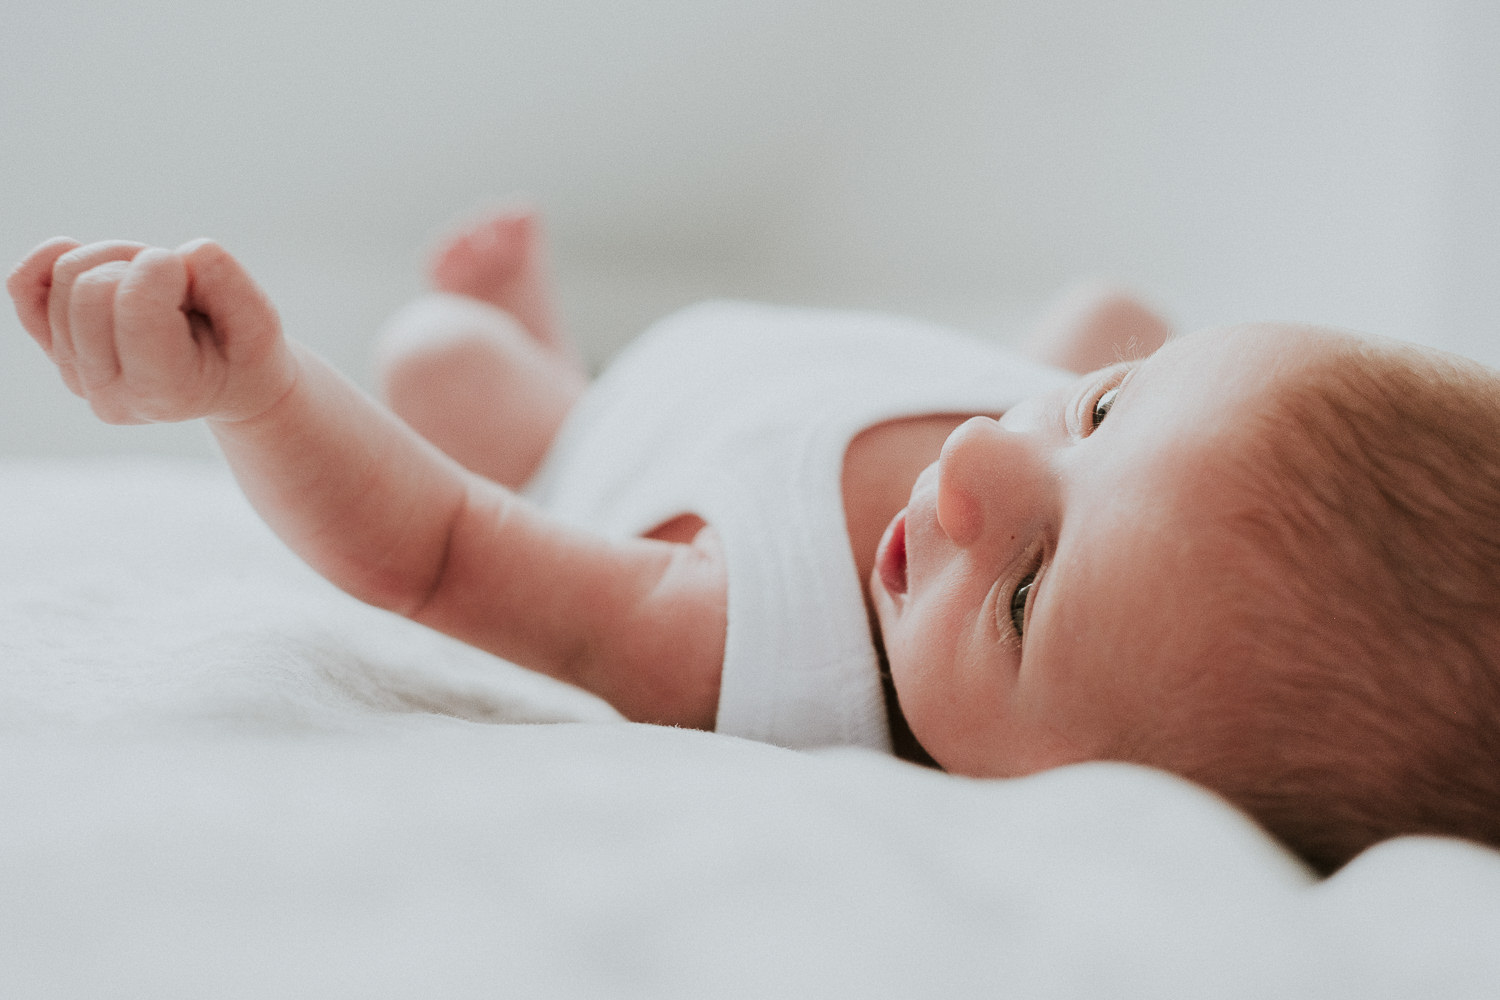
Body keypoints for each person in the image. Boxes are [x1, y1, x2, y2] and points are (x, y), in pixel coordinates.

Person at [10, 210, 1500, 873]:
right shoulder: (1039, 458)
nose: (981, 462)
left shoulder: (752, 646)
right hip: (781, 364)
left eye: (1028, 598)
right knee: (1108, 308)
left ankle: (543, 363)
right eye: (1107, 414)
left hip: (628, 434)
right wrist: (1132, 404)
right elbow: (1107, 432)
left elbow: (439, 552)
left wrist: (257, 393)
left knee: (435, 361)